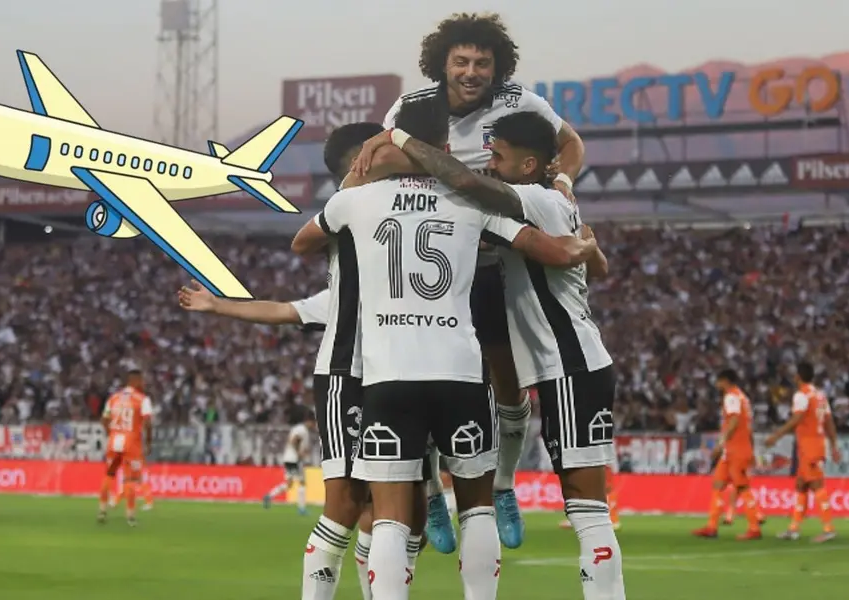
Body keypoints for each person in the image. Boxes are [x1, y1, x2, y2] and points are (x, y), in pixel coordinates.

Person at [292, 96, 597, 600]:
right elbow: (550, 250)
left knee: (390, 518)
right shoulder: (472, 201)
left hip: (389, 375)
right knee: (476, 509)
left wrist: (355, 192)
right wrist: (583, 246)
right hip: (460, 371)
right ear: (445, 147)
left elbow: (302, 242)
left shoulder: (354, 202)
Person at [351, 12, 587, 553]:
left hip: (495, 262)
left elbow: (570, 142)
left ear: (497, 66)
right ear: (443, 64)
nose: (472, 71)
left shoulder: (521, 102)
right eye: (462, 61)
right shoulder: (411, 109)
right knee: (427, 380)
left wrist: (562, 181)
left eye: (483, 62)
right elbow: (379, 167)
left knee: (509, 382)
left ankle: (502, 486)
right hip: (428, 270)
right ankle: (434, 493)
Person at [368, 110, 625, 598]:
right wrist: (585, 249)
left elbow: (465, 182)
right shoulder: (555, 201)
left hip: (569, 365)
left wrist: (398, 136)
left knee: (588, 511)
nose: (490, 163)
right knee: (585, 508)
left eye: (499, 155)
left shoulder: (534, 199)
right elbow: (600, 266)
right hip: (574, 365)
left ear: (529, 165)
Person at [179, 121, 430, 600]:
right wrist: (217, 305)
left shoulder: (400, 231)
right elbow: (284, 309)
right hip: (347, 377)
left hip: (404, 374)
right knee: (345, 503)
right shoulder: (347, 231)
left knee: (398, 509)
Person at [764, 362, 840, 542]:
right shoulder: (820, 396)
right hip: (812, 445)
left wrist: (776, 435)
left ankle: (828, 529)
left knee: (816, 485)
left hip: (810, 445)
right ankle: (794, 528)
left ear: (798, 376)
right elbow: (829, 422)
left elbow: (796, 419)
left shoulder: (801, 395)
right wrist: (833, 444)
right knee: (801, 485)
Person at [693, 369, 763, 540]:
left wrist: (721, 443)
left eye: (718, 381)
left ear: (725, 380)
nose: (717, 385)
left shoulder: (731, 397)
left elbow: (734, 421)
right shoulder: (742, 398)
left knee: (742, 487)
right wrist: (751, 449)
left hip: (736, 449)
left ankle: (754, 528)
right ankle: (712, 526)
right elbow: (748, 427)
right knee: (718, 484)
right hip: (733, 450)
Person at [97, 369, 153, 527]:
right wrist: (149, 442)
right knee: (130, 479)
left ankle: (102, 510)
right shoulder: (142, 399)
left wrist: (111, 433)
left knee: (109, 475)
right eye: (142, 380)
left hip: (114, 440)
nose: (144, 383)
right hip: (131, 442)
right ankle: (130, 516)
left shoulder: (114, 397)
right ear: (136, 381)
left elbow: (104, 419)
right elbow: (148, 422)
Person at [265, 410, 317, 515]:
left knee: (289, 484)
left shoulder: (298, 428)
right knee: (302, 482)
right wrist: (299, 452)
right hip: (294, 459)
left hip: (288, 458)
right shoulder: (302, 430)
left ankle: (269, 496)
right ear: (309, 421)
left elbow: (292, 440)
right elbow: (293, 440)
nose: (314, 425)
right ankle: (301, 508)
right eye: (313, 423)